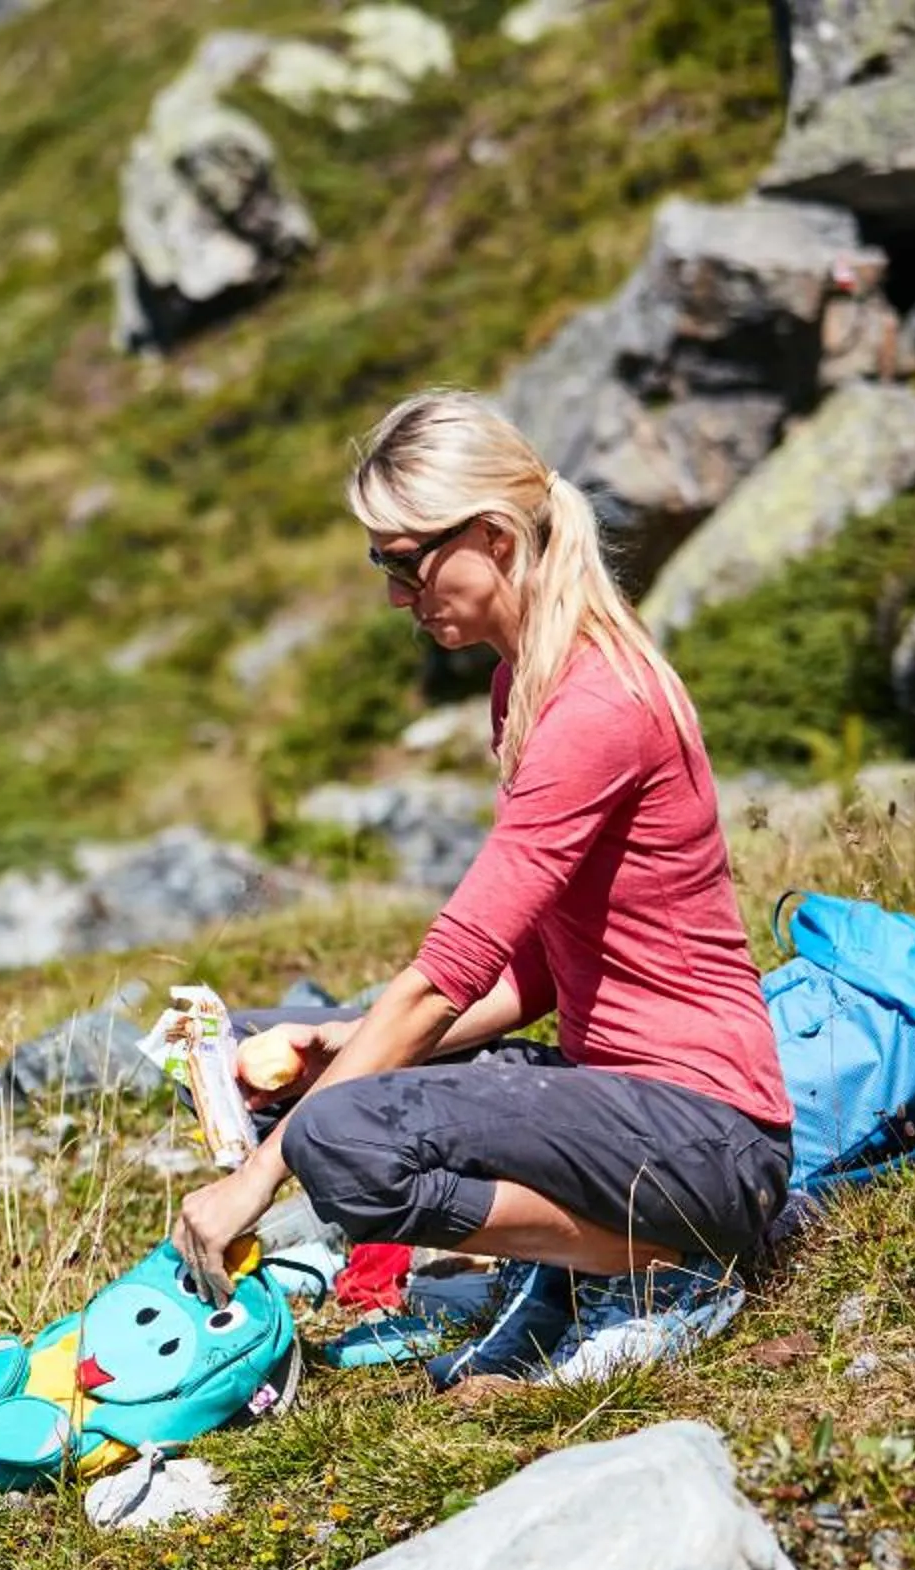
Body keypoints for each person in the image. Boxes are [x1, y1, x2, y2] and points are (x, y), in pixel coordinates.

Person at [171, 390, 793, 1389]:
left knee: (337, 1135)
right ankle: (569, 1269)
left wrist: (253, 1180)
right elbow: (538, 975)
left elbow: (450, 972)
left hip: (710, 1141)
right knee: (269, 1040)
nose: (396, 594)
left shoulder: (598, 705)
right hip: (627, 1111)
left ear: (495, 537)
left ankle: (667, 1267)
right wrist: (335, 1041)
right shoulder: (526, 684)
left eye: (404, 560)